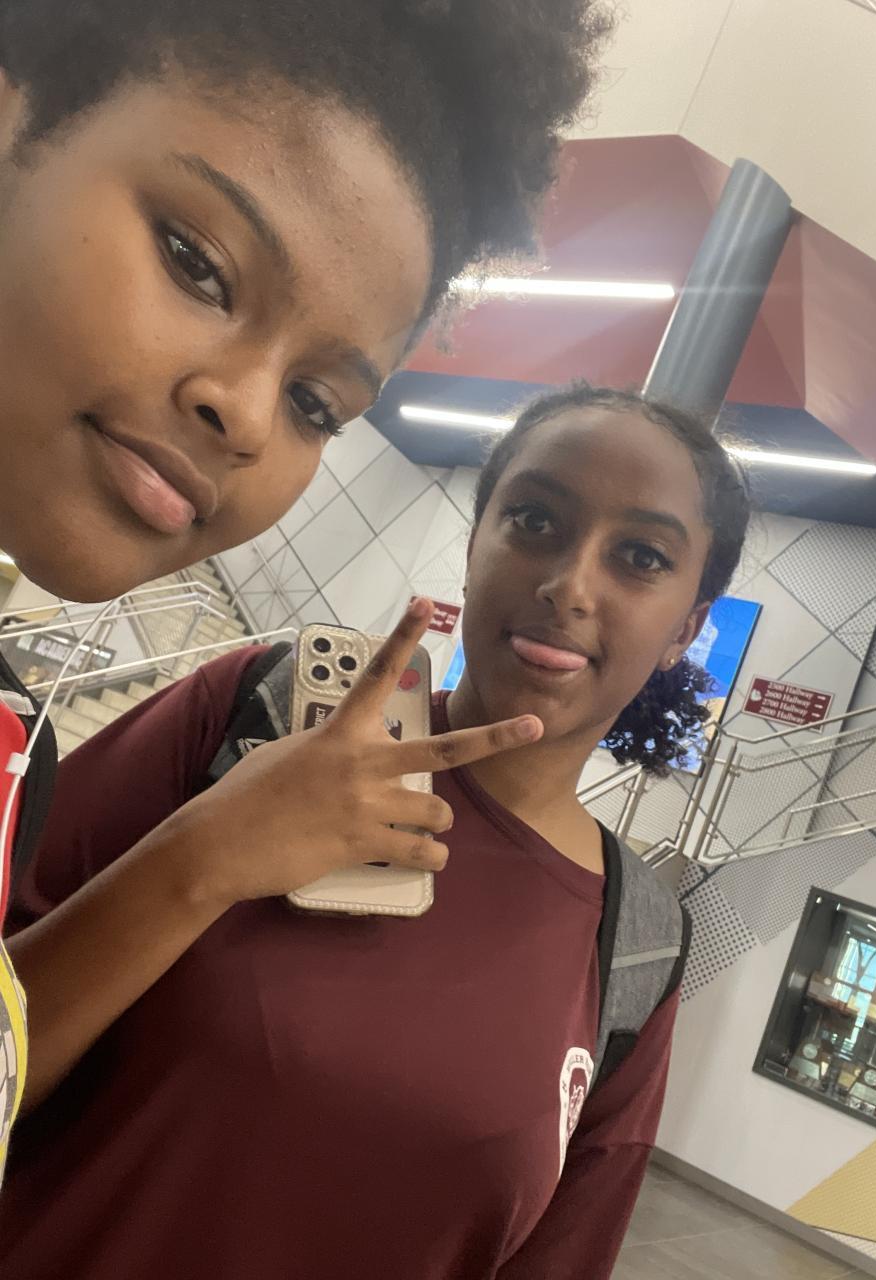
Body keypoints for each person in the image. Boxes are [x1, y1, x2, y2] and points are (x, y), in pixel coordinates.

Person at [0, 0, 610, 1171]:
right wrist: (204, 856)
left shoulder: (632, 945)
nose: (242, 412)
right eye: (199, 263)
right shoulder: (231, 712)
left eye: (316, 403)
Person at [0, 385, 752, 1279]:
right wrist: (203, 858)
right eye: (534, 520)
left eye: (641, 557)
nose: (570, 585)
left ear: (686, 630)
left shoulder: (635, 946)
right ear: (474, 547)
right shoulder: (256, 719)